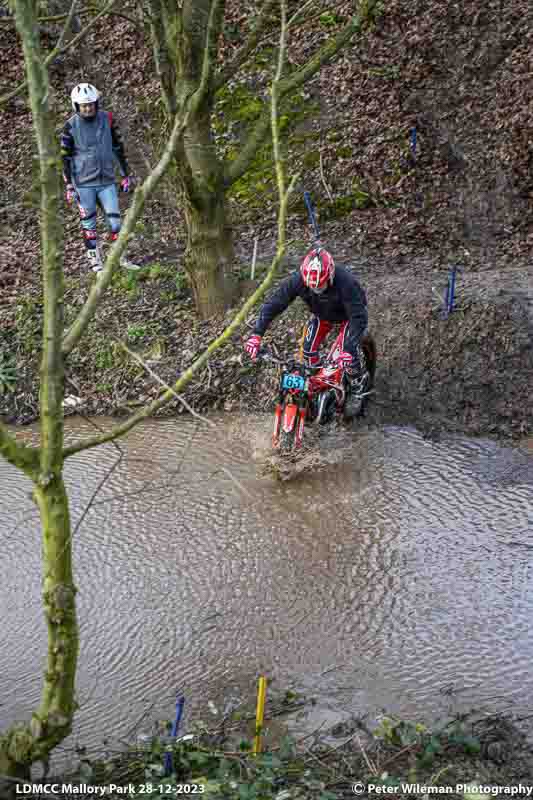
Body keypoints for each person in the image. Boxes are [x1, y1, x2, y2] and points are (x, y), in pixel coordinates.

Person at [245, 246, 370, 419]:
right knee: (308, 353)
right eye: (312, 286)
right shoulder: (298, 280)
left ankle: (357, 387)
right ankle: (314, 393)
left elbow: (359, 317)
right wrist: (256, 334)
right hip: (322, 315)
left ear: (331, 275)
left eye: (321, 285)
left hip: (349, 316)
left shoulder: (346, 282)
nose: (317, 289)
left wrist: (348, 350)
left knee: (348, 353)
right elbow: (274, 303)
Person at [60, 83, 133, 274]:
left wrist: (125, 174)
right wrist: (68, 185)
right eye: (84, 105)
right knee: (89, 225)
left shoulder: (107, 119)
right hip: (83, 184)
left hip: (106, 180)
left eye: (91, 104)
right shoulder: (70, 126)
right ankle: (96, 264)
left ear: (96, 103)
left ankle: (120, 257)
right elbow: (65, 158)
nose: (88, 108)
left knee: (116, 222)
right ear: (76, 106)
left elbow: (118, 147)